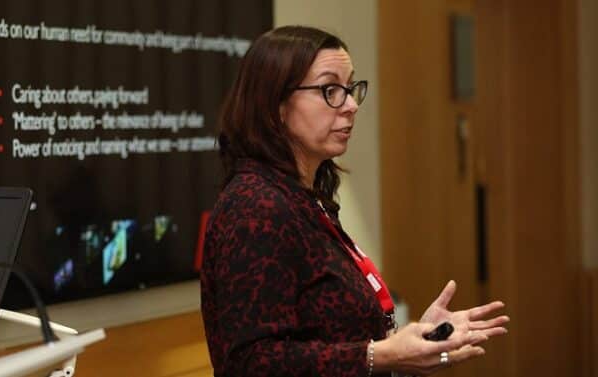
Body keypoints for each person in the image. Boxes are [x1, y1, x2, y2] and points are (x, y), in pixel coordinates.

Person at [200, 25, 509, 377]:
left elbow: (330, 335)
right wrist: (381, 355)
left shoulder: (305, 199)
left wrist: (411, 340)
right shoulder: (255, 207)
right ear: (276, 106)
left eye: (350, 89)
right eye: (330, 89)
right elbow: (253, 363)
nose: (350, 106)